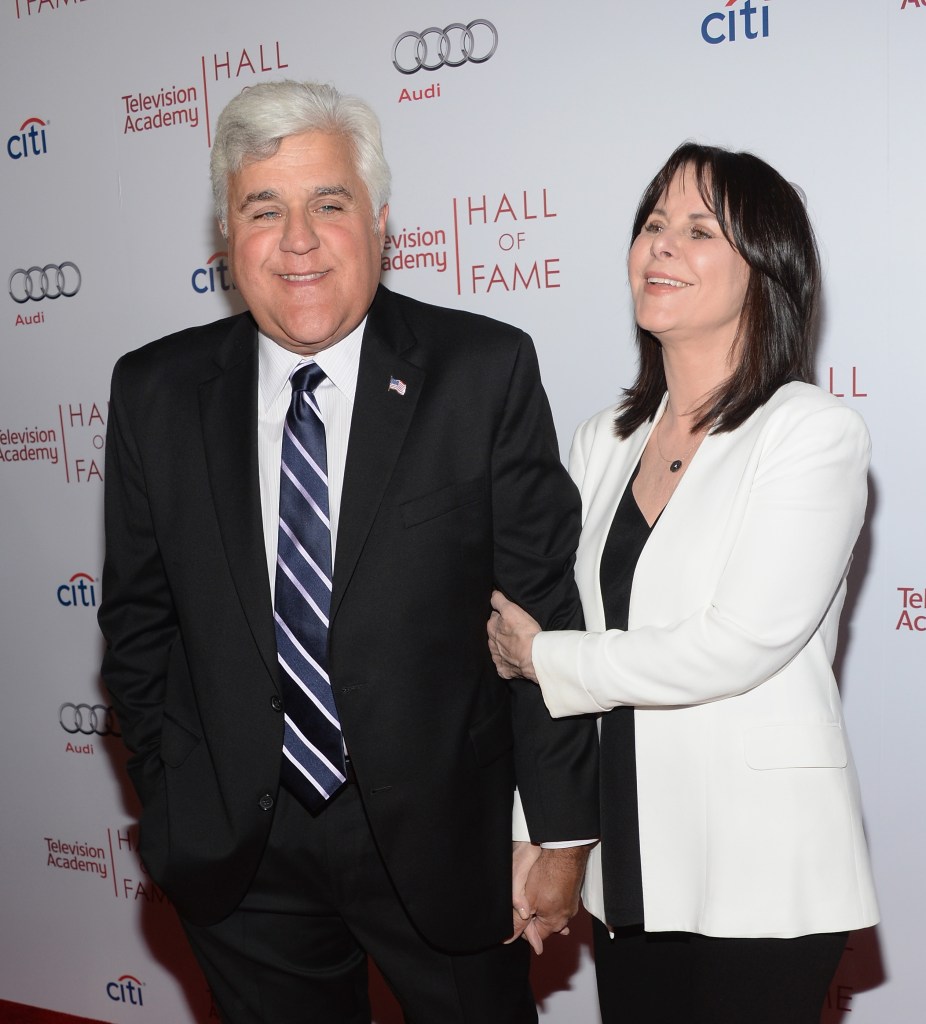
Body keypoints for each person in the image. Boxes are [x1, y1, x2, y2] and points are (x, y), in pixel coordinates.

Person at [98, 80, 598, 1024]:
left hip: (448, 841)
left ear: (379, 222)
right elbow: (137, 621)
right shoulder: (155, 393)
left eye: (328, 204)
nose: (298, 239)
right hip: (240, 859)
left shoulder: (482, 372)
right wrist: (171, 803)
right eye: (264, 209)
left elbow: (544, 619)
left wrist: (563, 835)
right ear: (226, 236)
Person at [488, 142, 879, 1024]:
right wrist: (539, 834)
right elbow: (559, 667)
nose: (661, 245)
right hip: (633, 871)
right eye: (653, 225)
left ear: (765, 271)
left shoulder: (809, 434)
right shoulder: (601, 441)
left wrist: (544, 657)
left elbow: (736, 644)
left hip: (764, 871)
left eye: (699, 230)